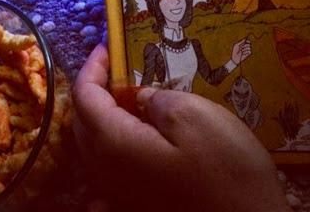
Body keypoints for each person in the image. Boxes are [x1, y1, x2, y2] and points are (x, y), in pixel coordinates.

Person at [72, 43, 291, 212]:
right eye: (167, 1)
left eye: (179, 0)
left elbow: (211, 77)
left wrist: (233, 62)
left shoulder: (193, 46)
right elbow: (141, 78)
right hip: (153, 121)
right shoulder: (152, 49)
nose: (176, 4)